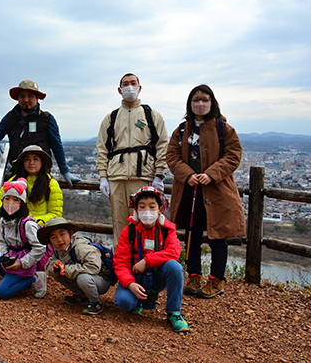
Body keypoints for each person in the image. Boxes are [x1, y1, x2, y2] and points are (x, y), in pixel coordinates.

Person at [166, 84, 245, 299]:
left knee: (217, 236)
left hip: (216, 190)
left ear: (212, 103)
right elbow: (172, 156)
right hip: (190, 190)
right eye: (196, 100)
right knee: (192, 234)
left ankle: (216, 280)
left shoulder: (223, 129)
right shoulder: (182, 130)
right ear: (190, 104)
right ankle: (193, 275)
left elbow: (233, 155)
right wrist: (188, 174)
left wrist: (211, 173)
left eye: (205, 100)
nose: (200, 104)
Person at [96, 73, 169, 248]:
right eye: (126, 84)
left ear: (140, 87)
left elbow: (162, 145)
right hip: (116, 178)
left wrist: (159, 174)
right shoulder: (111, 118)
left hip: (143, 176)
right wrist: (103, 177)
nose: (130, 87)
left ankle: (144, 265)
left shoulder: (151, 115)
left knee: (143, 222)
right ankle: (120, 267)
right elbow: (102, 149)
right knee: (119, 224)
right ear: (119, 90)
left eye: (133, 83)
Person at [113, 186, 189, 333]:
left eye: (151, 206)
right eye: (142, 207)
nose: (147, 211)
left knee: (174, 267)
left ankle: (174, 312)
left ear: (160, 209)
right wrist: (130, 284)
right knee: (123, 302)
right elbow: (120, 263)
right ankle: (137, 300)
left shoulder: (167, 230)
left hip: (157, 275)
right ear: (136, 210)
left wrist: (147, 261)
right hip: (135, 277)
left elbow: (173, 252)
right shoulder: (128, 232)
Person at [0, 144, 61, 296]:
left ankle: (29, 275)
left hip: (37, 236)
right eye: (27, 159)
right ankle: (17, 274)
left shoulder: (50, 184)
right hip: (16, 237)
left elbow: (55, 213)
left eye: (36, 159)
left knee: (2, 292)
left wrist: (32, 223)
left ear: (42, 162)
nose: (31, 163)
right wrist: (7, 215)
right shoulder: (14, 181)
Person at [0, 80, 81, 186]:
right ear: (18, 98)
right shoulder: (10, 117)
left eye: (30, 96)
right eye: (22, 96)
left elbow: (57, 146)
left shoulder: (47, 119)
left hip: (41, 177)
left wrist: (65, 171)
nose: (26, 100)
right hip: (17, 175)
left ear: (37, 98)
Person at [0, 178, 47, 300]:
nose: (10, 203)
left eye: (16, 200)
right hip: (11, 257)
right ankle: (10, 276)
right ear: (2, 200)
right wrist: (4, 256)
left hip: (25, 264)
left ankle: (31, 279)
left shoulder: (27, 224)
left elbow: (40, 247)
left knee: (1, 292)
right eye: (7, 198)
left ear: (22, 203)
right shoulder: (4, 220)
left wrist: (21, 263)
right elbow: (2, 241)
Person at [38, 217, 111, 315]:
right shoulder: (58, 252)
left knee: (83, 278)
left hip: (101, 279)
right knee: (58, 273)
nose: (59, 240)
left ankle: (96, 302)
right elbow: (48, 268)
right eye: (53, 237)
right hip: (89, 277)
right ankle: (83, 296)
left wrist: (67, 269)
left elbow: (94, 267)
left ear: (71, 233)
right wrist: (55, 266)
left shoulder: (80, 247)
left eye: (62, 234)